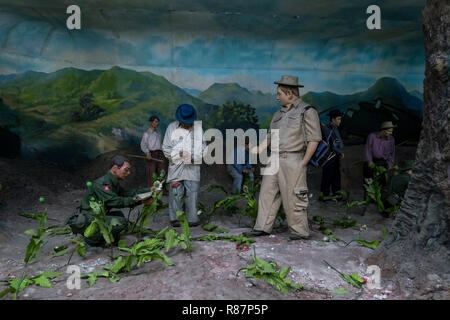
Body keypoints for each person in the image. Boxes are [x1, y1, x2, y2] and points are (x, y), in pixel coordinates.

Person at [244, 75, 322, 240]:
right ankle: (262, 227)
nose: (277, 96)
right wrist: (259, 148)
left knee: (293, 196)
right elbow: (271, 135)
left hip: (293, 159)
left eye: (280, 93)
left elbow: (314, 139)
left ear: (290, 93)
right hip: (275, 158)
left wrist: (304, 162)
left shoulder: (307, 111)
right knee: (267, 193)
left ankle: (299, 231)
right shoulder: (278, 114)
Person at [66, 155, 151, 246]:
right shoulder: (103, 183)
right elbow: (115, 201)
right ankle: (93, 240)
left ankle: (105, 237)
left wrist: (150, 190)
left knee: (119, 215)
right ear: (115, 168)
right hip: (89, 218)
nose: (128, 173)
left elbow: (126, 193)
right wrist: (139, 200)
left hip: (97, 215)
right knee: (121, 222)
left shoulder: (111, 181)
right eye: (126, 169)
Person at [162, 104, 206, 227]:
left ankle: (192, 218)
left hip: (192, 168)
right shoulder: (171, 128)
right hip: (176, 167)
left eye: (189, 122)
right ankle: (175, 218)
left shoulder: (198, 129)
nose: (187, 124)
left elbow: (203, 149)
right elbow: (166, 147)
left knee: (192, 193)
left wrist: (192, 157)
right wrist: (177, 155)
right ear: (179, 120)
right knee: (176, 192)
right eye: (184, 122)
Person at [363, 121, 396, 192]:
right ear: (384, 131)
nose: (391, 133)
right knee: (369, 181)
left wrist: (390, 164)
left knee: (382, 182)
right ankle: (368, 197)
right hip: (372, 161)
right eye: (389, 131)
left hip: (383, 163)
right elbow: (368, 150)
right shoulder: (372, 136)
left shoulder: (391, 139)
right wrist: (369, 161)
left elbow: (392, 153)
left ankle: (380, 198)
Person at [319, 109, 344, 200]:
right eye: (338, 119)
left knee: (336, 175)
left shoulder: (335, 128)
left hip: (335, 156)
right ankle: (324, 194)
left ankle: (336, 193)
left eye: (340, 119)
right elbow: (332, 143)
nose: (340, 121)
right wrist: (340, 152)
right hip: (329, 156)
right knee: (328, 174)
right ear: (333, 119)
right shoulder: (328, 129)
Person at [140, 115, 166, 188]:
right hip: (152, 154)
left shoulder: (158, 133)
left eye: (158, 122)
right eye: (156, 122)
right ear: (151, 122)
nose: (157, 124)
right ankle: (151, 190)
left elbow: (160, 145)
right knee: (151, 172)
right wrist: (148, 153)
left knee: (161, 171)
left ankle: (160, 189)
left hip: (160, 153)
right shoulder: (146, 134)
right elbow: (143, 145)